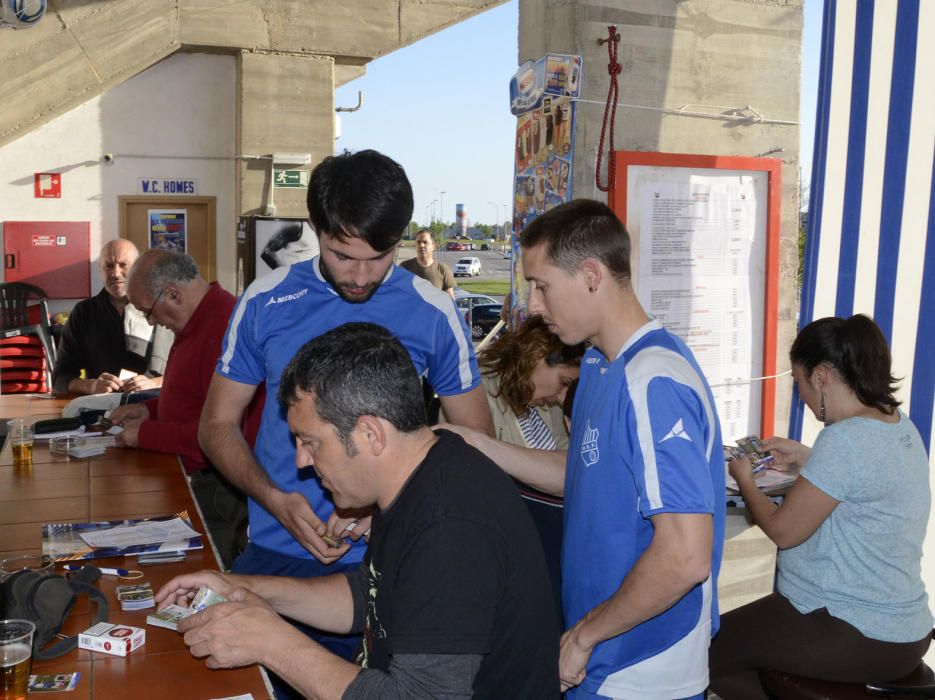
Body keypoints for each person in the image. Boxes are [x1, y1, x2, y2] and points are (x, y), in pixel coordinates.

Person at [157, 323, 559, 698]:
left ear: (370, 434)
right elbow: (369, 594)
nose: (301, 461)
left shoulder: (450, 526)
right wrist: (247, 591)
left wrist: (271, 642)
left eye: (309, 442)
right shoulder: (417, 473)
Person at [199, 149, 492, 660]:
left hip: (394, 559)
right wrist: (275, 499)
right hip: (275, 553)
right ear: (316, 230)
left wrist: (395, 511)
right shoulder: (265, 302)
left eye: (378, 258)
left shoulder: (433, 311)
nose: (359, 276)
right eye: (342, 256)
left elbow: (477, 446)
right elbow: (216, 425)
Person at [444, 199, 725, 699]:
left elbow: (685, 555)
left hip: (640, 669)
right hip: (600, 655)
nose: (532, 305)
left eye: (542, 285)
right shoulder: (597, 365)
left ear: (592, 275)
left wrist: (583, 636)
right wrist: (476, 445)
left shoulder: (655, 381)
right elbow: (584, 477)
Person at [709, 314, 933, 699]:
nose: (801, 394)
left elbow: (783, 530)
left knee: (704, 653)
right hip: (904, 628)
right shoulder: (897, 424)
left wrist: (745, 479)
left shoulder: (844, 440)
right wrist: (805, 458)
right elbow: (867, 479)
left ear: (822, 376)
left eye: (799, 381)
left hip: (848, 625)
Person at [107, 249, 262, 569]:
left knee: (196, 570)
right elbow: (194, 397)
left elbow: (224, 432)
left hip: (219, 483)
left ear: (173, 294)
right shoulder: (195, 319)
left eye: (148, 312)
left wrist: (148, 434)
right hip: (195, 470)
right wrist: (152, 409)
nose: (152, 322)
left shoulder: (224, 327)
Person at [474, 314, 585, 620]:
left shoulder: (543, 404)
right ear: (537, 355)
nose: (562, 398)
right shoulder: (475, 395)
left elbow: (572, 466)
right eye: (564, 383)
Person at [52, 239, 171, 395]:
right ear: (100, 269)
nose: (115, 273)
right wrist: (91, 386)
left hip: (155, 405)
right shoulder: (84, 313)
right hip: (102, 410)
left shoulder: (162, 308)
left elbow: (188, 371)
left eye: (123, 265)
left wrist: (153, 383)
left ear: (138, 268)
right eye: (108, 266)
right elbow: (60, 378)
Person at [399, 229, 455, 297]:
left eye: (425, 242)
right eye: (418, 242)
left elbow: (450, 301)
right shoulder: (404, 267)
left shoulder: (442, 269)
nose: (421, 245)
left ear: (433, 246)